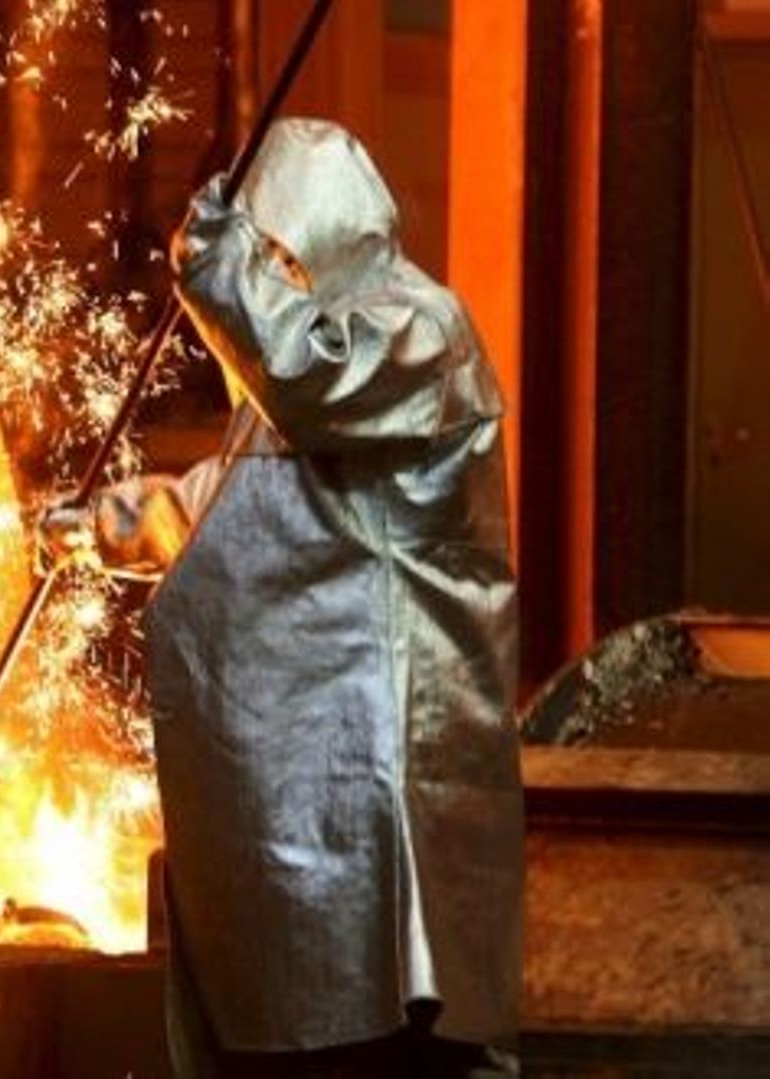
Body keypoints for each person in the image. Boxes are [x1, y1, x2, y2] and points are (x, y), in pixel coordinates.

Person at [41, 118, 523, 1076]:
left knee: (381, 1032)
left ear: (314, 231)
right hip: (290, 810)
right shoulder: (298, 379)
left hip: (377, 793)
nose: (267, 279)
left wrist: (215, 265)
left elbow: (304, 377)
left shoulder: (416, 333)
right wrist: (90, 525)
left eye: (271, 255)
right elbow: (220, 509)